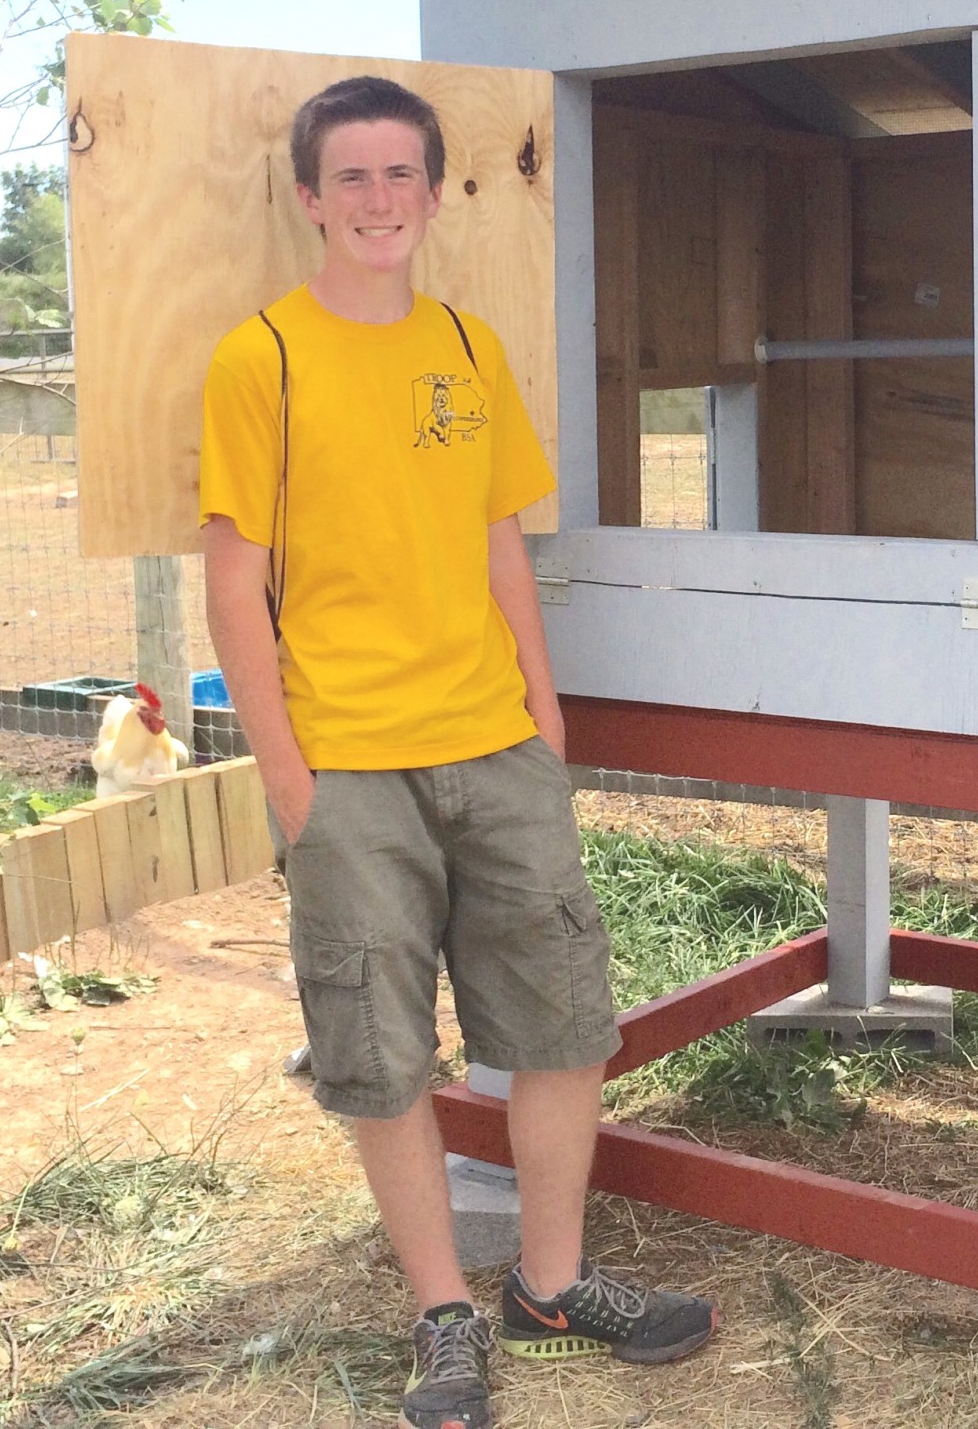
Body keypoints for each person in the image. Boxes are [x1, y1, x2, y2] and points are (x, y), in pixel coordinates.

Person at [199, 77, 714, 1429]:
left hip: (497, 744)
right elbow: (232, 579)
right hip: (349, 765)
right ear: (312, 198)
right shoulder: (266, 358)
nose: (378, 201)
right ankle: (443, 1318)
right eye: (351, 179)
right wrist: (286, 776)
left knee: (559, 1025)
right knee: (382, 1049)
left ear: (433, 195)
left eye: (399, 178)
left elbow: (499, 540)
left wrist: (544, 711)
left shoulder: (471, 352)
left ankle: (549, 1291)